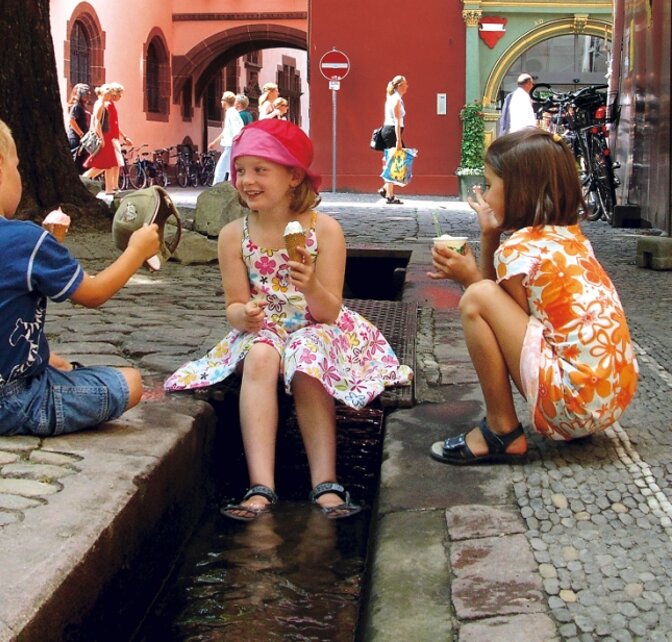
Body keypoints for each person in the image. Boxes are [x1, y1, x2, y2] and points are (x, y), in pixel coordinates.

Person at [165, 118, 412, 519]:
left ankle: (325, 483)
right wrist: (244, 315)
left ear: (294, 176)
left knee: (306, 354)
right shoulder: (234, 235)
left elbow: (329, 312)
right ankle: (260, 486)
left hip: (318, 328)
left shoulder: (324, 231)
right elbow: (233, 306)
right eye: (241, 169)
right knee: (261, 355)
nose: (247, 180)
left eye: (260, 169)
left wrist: (310, 284)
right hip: (264, 331)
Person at [0, 107, 160, 437]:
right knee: (131, 381)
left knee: (55, 362)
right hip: (6, 402)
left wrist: (49, 244)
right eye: (16, 167)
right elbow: (93, 293)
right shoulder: (24, 239)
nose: (19, 175)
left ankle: (38, 367)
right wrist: (136, 251)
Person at [428, 127, 639, 465]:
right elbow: (507, 312)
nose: (485, 194)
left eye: (490, 185)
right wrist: (489, 235)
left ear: (519, 191)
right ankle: (525, 426)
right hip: (611, 397)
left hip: (574, 405)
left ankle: (501, 431)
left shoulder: (521, 250)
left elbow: (495, 312)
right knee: (482, 294)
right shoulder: (571, 238)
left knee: (475, 297)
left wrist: (469, 278)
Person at [82, 82, 133, 199]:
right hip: (106, 137)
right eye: (111, 94)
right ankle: (84, 181)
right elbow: (97, 122)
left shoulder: (102, 103)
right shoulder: (102, 104)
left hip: (107, 137)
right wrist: (101, 138)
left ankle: (110, 188)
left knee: (108, 164)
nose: (112, 96)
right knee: (101, 165)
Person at [377, 74, 408, 204]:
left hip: (389, 131)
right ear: (399, 86)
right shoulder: (396, 99)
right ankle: (389, 195)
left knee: (395, 161)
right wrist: (398, 140)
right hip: (392, 132)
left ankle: (386, 189)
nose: (407, 87)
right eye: (405, 84)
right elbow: (397, 120)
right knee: (396, 162)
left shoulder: (392, 98)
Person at [209, 90, 244, 184]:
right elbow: (226, 131)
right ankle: (231, 187)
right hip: (231, 145)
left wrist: (236, 141)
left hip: (231, 145)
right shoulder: (232, 112)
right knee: (230, 168)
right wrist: (215, 142)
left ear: (225, 101)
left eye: (222, 100)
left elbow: (237, 128)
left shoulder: (231, 113)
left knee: (221, 168)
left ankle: (216, 187)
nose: (221, 102)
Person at [66, 83, 91, 172]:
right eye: (86, 93)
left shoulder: (82, 107)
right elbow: (72, 121)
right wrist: (81, 134)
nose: (88, 95)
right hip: (75, 138)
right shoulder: (77, 106)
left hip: (81, 139)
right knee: (76, 162)